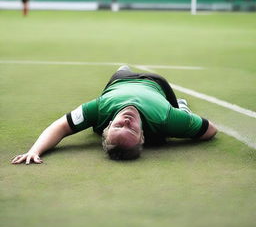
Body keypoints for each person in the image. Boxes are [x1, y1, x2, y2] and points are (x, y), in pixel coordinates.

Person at [11, 66, 217, 164]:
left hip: (120, 80)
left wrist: (34, 150)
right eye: (132, 129)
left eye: (119, 126)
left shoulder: (100, 108)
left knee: (121, 70)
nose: (127, 121)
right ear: (143, 135)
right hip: (156, 83)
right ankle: (182, 106)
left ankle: (124, 68)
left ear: (109, 124)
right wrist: (185, 121)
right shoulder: (165, 118)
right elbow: (209, 131)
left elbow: (61, 126)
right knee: (179, 110)